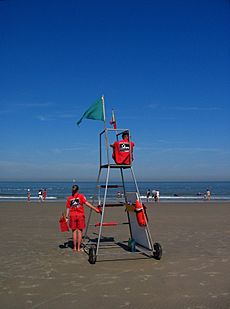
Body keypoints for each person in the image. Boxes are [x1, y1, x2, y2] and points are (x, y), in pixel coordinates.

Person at [65, 185, 101, 252]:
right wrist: (96, 209)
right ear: (78, 190)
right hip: (80, 216)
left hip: (72, 216)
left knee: (74, 232)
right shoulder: (81, 196)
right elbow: (87, 203)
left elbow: (67, 208)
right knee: (80, 231)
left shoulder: (69, 198)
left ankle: (75, 247)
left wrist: (66, 216)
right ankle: (78, 248)